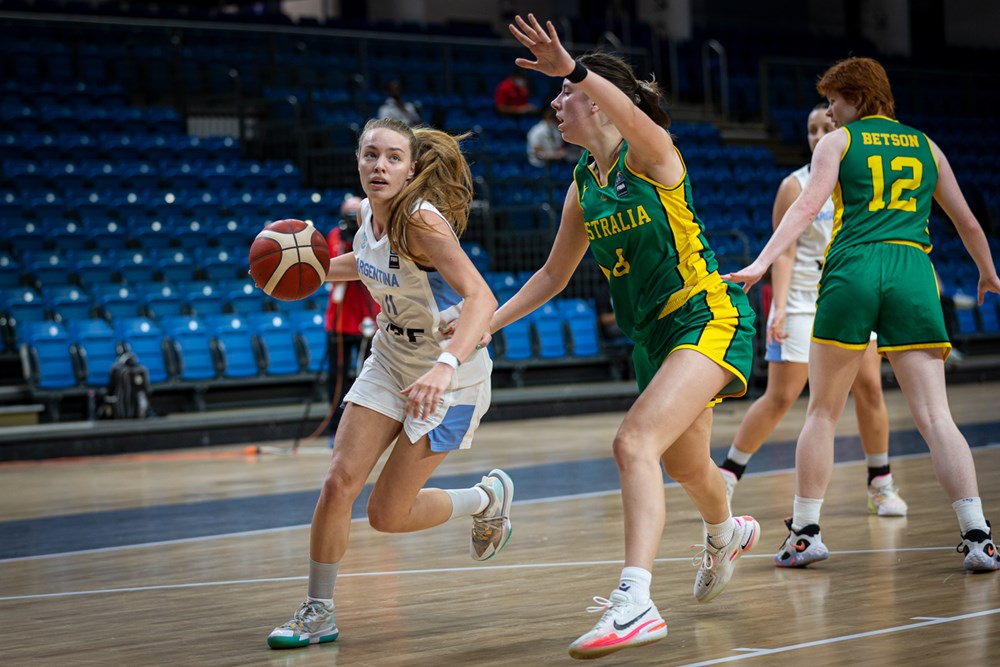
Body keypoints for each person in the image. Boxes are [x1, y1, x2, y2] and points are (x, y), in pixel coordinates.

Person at [492, 14, 761, 660]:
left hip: (705, 316)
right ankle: (726, 530)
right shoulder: (583, 185)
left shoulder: (653, 153)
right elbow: (553, 276)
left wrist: (576, 68)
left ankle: (635, 598)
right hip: (654, 338)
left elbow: (633, 117)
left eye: (567, 95)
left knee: (633, 440)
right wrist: (483, 326)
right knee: (684, 463)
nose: (556, 102)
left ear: (601, 100)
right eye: (559, 93)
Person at [722, 57, 1000, 572]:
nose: (829, 112)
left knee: (823, 411)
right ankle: (979, 537)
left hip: (853, 266)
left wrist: (761, 262)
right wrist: (987, 272)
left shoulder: (839, 142)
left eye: (834, 101)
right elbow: (967, 221)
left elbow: (805, 210)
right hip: (912, 268)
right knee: (937, 415)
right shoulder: (926, 145)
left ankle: (805, 534)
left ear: (858, 97)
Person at [267, 117, 512, 650]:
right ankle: (318, 610)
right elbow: (369, 263)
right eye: (370, 154)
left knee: (386, 515)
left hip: (451, 378)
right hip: (390, 360)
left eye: (393, 157)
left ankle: (485, 497)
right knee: (338, 482)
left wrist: (446, 362)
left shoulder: (422, 223)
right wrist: (306, 269)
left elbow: (481, 298)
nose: (380, 165)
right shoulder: (364, 218)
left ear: (412, 169)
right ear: (357, 161)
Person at [718, 103, 908, 518]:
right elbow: (782, 254)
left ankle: (881, 483)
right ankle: (727, 475)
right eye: (811, 129)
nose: (818, 136)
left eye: (828, 127)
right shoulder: (794, 185)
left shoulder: (861, 182)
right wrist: (779, 309)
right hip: (804, 300)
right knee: (782, 396)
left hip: (852, 298)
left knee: (871, 389)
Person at [323, 194, 380, 441]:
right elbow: (333, 266)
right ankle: (335, 421)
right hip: (340, 316)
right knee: (337, 372)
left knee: (369, 372)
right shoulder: (335, 235)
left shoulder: (374, 233)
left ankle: (369, 423)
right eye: (349, 213)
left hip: (369, 314)